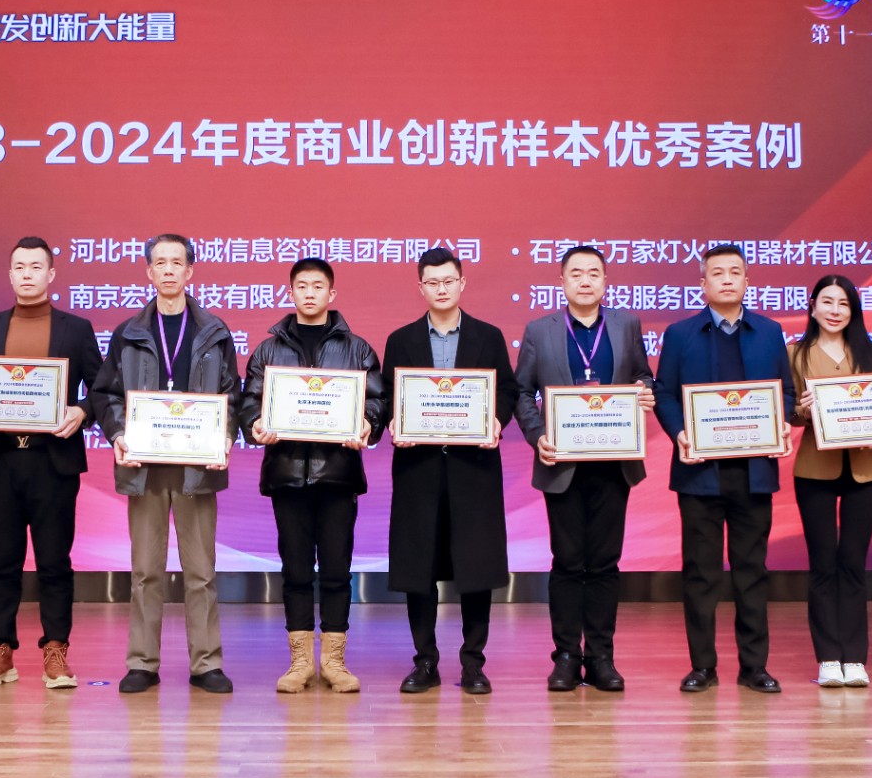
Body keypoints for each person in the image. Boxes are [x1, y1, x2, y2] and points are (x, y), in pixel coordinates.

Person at [90, 233, 241, 695]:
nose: (170, 270)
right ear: (149, 272)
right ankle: (142, 662)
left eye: (178, 262)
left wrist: (225, 435)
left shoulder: (214, 331)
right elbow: (105, 394)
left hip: (196, 468)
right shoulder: (128, 333)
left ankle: (206, 664)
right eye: (161, 262)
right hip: (146, 466)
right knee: (145, 571)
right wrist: (119, 434)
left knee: (201, 572)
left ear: (190, 271)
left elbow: (231, 395)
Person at [0, 237, 102, 690]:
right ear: (9, 274)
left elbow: (101, 387)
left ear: (51, 274)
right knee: (2, 562)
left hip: (52, 462)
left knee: (54, 562)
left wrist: (82, 411)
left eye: (35, 266)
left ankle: (56, 651)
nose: (26, 274)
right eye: (19, 266)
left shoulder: (76, 328)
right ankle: (0, 651)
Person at [239, 258, 385, 694]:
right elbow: (250, 402)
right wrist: (255, 425)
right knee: (296, 570)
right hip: (287, 474)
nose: (309, 293)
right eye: (301, 286)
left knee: (338, 571)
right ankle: (300, 662)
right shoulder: (268, 351)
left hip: (338, 474)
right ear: (291, 292)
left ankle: (335, 662)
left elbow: (376, 400)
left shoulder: (357, 348)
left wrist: (367, 423)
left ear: (331, 294)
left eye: (317, 286)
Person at [654, 244, 795, 694]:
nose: (728, 279)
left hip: (754, 472)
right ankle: (703, 666)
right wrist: (680, 432)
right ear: (703, 284)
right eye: (718, 273)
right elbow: (664, 392)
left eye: (736, 272)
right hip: (700, 473)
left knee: (752, 571)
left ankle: (754, 666)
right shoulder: (680, 334)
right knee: (701, 574)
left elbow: (785, 392)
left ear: (747, 282)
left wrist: (781, 421)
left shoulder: (770, 332)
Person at [514, 245, 654, 692]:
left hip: (613, 462)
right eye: (576, 273)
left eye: (594, 272)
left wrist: (645, 391)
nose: (586, 280)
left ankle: (600, 657)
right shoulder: (540, 330)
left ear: (605, 281)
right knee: (568, 562)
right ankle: (566, 657)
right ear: (562, 282)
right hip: (563, 463)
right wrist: (538, 436)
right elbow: (522, 392)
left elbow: (643, 375)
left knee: (605, 563)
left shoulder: (626, 324)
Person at [382, 247, 519, 695]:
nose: (441, 289)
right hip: (419, 469)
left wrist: (496, 420)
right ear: (420, 287)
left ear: (462, 283)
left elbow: (507, 390)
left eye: (448, 281)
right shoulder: (401, 339)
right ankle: (425, 661)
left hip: (472, 469)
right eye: (432, 282)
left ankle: (473, 663)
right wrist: (395, 423)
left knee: (476, 567)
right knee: (418, 567)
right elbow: (389, 396)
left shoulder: (488, 336)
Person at [788, 275, 872, 688]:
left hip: (865, 470)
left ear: (853, 310)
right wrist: (803, 409)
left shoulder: (871, 352)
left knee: (854, 562)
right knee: (823, 563)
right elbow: (788, 411)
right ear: (812, 307)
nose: (834, 310)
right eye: (826, 302)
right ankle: (829, 657)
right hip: (815, 469)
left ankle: (856, 658)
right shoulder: (795, 353)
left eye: (843, 303)